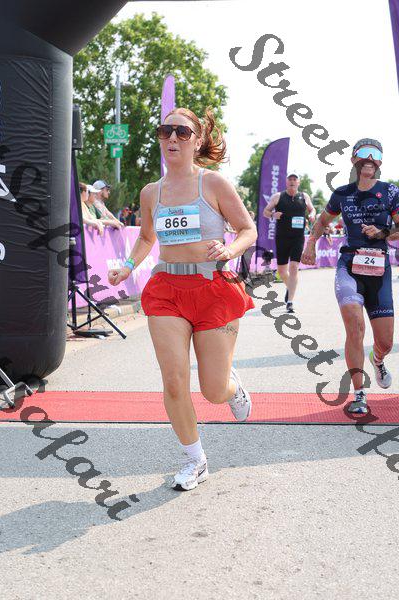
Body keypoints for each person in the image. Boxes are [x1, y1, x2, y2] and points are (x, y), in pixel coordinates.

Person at [108, 107, 257, 491]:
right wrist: (127, 266)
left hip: (213, 290)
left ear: (197, 139)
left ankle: (231, 385)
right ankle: (195, 460)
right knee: (174, 381)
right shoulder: (150, 192)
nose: (172, 138)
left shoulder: (214, 184)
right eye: (166, 131)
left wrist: (229, 250)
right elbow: (146, 238)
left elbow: (247, 229)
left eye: (182, 132)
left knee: (212, 390)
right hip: (167, 292)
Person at [301, 138, 399, 414]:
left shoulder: (390, 192)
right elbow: (322, 221)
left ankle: (377, 360)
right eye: (364, 152)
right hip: (349, 265)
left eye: (376, 153)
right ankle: (359, 393)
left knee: (385, 341)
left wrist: (382, 233)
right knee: (355, 325)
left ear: (380, 161)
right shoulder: (342, 194)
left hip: (379, 269)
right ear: (354, 159)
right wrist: (310, 244)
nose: (370, 158)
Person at [263, 172, 316, 313]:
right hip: (282, 237)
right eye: (290, 179)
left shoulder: (304, 196)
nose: (292, 181)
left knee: (293, 267)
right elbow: (265, 212)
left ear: (298, 182)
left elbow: (312, 209)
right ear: (286, 182)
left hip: (298, 238)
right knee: (282, 271)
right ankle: (290, 287)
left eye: (295, 179)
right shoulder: (278, 196)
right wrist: (273, 214)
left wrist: (312, 214)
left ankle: (290, 302)